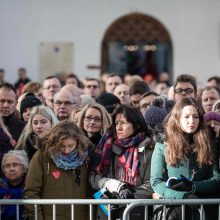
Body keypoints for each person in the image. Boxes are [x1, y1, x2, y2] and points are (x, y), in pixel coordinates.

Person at [150, 97, 220, 219]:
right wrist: (183, 196)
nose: (191, 121)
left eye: (195, 117)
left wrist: (192, 186)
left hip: (204, 211)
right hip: (173, 210)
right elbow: (156, 182)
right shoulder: (162, 144)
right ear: (177, 118)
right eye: (186, 117)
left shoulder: (209, 143)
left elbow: (217, 179)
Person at [90, 105, 154, 220]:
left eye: (123, 123)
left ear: (136, 125)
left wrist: (126, 197)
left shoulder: (148, 149)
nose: (118, 127)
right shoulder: (106, 147)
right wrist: (108, 187)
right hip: (107, 209)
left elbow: (151, 183)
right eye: (116, 123)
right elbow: (93, 176)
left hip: (135, 210)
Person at [24, 121, 90, 220]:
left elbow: (90, 192)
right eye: (62, 146)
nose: (67, 150)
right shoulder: (42, 156)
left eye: (71, 146)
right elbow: (31, 192)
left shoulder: (85, 158)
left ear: (78, 142)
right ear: (54, 142)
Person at [0, 150, 29, 220]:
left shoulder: (31, 185)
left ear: (24, 168)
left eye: (15, 165)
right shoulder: (1, 185)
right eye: (7, 166)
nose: (11, 169)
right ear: (3, 170)